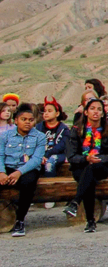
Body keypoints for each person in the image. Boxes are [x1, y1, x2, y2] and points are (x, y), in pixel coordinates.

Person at [64, 99, 108, 233]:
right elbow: (71, 156)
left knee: (90, 171)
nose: (96, 112)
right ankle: (90, 222)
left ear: (102, 113)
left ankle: (76, 203)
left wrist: (98, 158)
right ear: (86, 112)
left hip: (100, 167)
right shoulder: (77, 129)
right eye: (92, 108)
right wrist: (86, 158)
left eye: (99, 109)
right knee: (87, 176)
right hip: (80, 166)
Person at [0, 104, 46, 237]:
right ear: (16, 121)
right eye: (23, 119)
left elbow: (36, 160)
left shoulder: (40, 137)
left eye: (30, 120)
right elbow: (0, 155)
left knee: (28, 183)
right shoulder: (4, 136)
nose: (27, 122)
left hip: (27, 169)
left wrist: (19, 172)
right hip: (7, 168)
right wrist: (2, 173)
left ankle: (19, 221)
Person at [38, 97, 69, 177]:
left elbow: (61, 146)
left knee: (50, 163)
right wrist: (41, 155)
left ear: (57, 113)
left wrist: (46, 155)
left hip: (58, 154)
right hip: (41, 154)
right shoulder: (38, 127)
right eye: (44, 111)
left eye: (49, 111)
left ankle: (50, 187)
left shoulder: (64, 129)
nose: (46, 113)